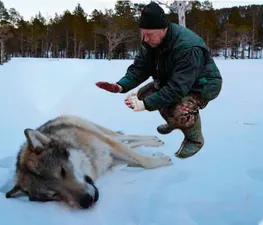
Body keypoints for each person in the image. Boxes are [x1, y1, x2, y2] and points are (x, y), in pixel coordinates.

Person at [95, 2, 222, 159]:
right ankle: (173, 122)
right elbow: (140, 68)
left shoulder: (188, 47)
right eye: (143, 34)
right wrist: (120, 86)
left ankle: (194, 139)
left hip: (202, 84)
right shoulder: (150, 42)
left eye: (149, 35)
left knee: (175, 110)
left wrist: (146, 105)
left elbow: (177, 88)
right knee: (145, 96)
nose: (145, 39)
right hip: (175, 80)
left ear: (164, 28)